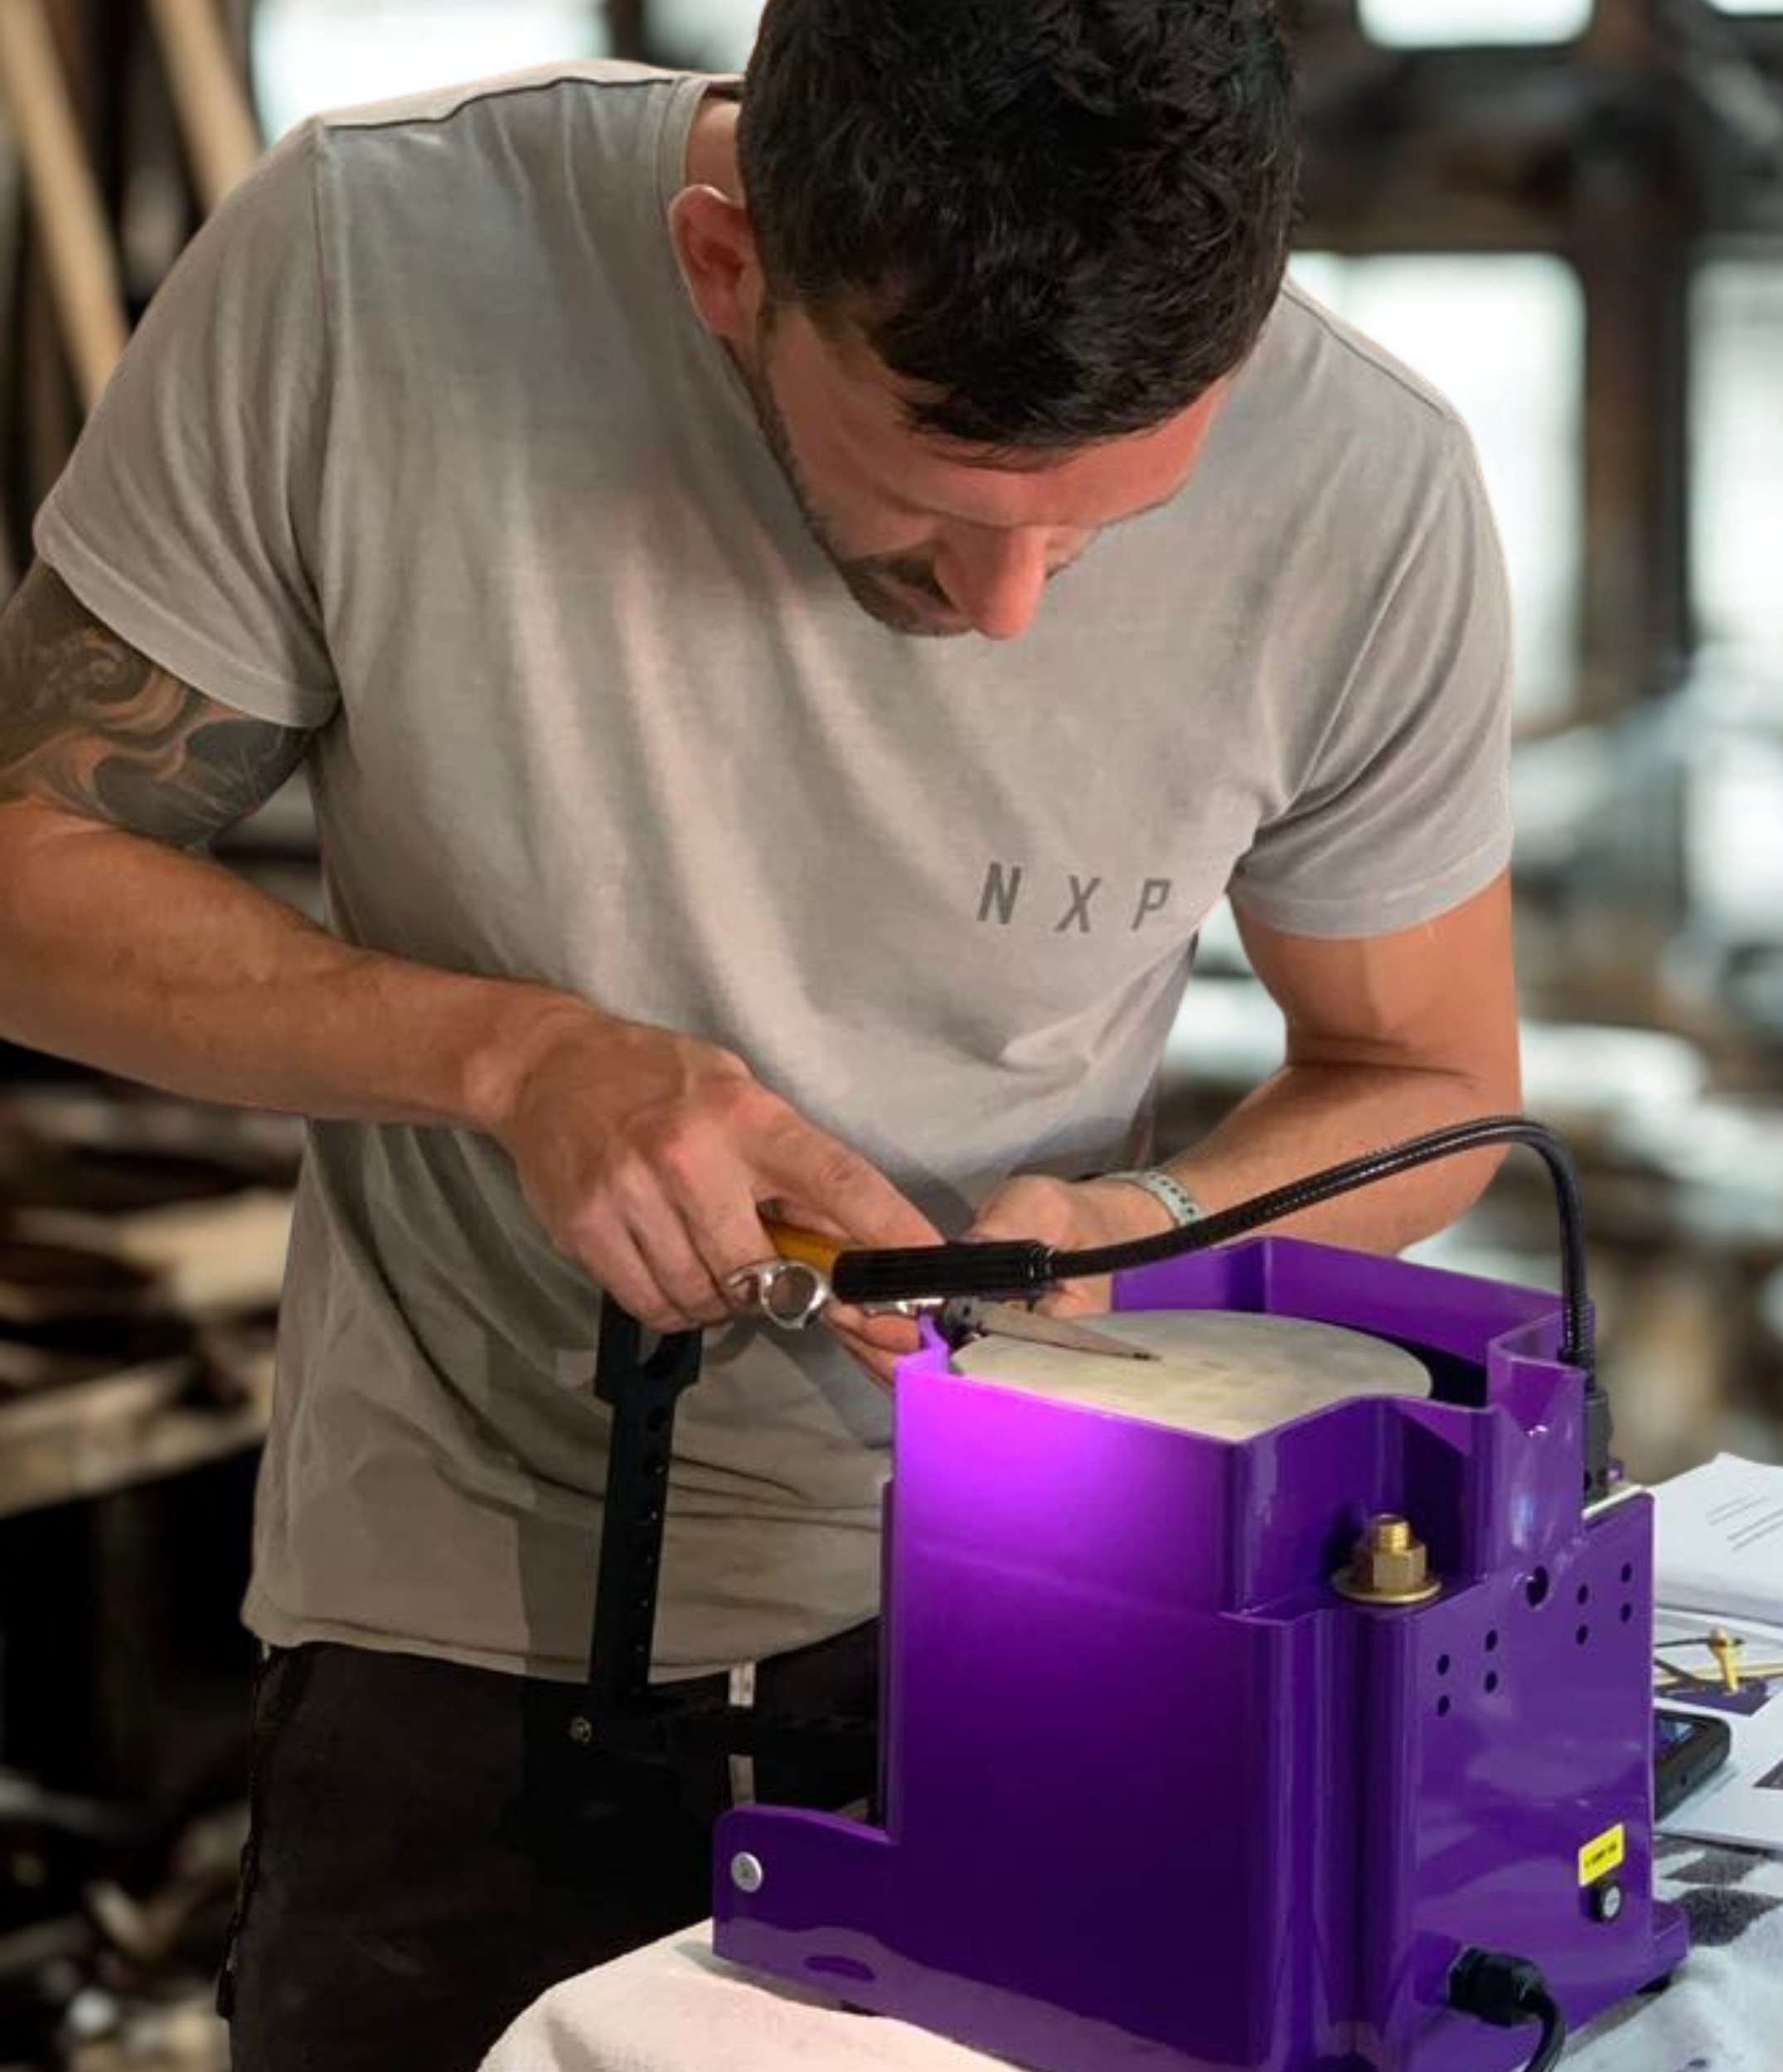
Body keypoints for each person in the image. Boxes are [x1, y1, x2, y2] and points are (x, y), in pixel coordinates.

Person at [0, 2, 1520, 2064]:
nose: (1008, 611)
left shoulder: (1367, 486)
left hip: (1059, 1621)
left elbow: (1426, 1079)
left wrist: (1144, 1221)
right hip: (469, 1629)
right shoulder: (372, 266)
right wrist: (513, 1059)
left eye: (1099, 523)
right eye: (930, 502)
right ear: (727, 270)